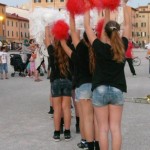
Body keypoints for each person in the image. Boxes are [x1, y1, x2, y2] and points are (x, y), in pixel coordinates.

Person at [84, 1, 129, 150]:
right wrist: (124, 5)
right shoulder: (122, 46)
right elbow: (128, 26)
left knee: (102, 129)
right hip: (117, 90)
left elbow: (87, 28)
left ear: (104, 33)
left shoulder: (99, 47)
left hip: (100, 89)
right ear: (118, 32)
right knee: (115, 128)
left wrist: (86, 6)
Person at [60, 14, 99, 150]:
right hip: (96, 86)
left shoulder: (80, 51)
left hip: (82, 86)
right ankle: (97, 143)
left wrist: (71, 14)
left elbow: (67, 42)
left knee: (84, 118)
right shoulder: (98, 48)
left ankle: (86, 142)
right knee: (95, 119)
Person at [45, 26, 73, 142]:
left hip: (55, 81)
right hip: (67, 80)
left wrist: (47, 28)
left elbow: (47, 39)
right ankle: (67, 132)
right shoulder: (70, 49)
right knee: (66, 108)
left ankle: (57, 133)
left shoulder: (52, 50)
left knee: (57, 109)